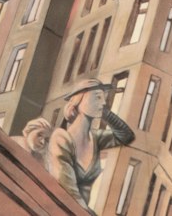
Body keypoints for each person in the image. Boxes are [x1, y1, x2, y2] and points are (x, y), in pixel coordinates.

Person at [47, 79, 134, 214]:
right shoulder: (61, 138)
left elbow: (126, 136)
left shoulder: (96, 138)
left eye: (103, 98)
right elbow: (67, 189)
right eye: (97, 97)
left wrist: (105, 113)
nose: (104, 102)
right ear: (79, 101)